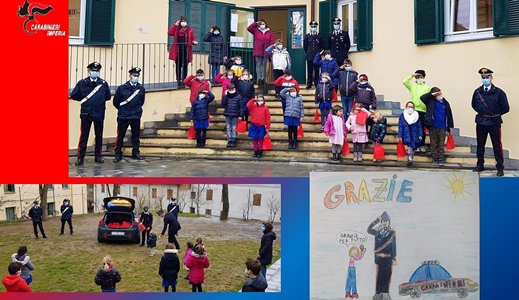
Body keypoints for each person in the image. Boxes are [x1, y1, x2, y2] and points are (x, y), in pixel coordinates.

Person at [69, 61, 112, 165]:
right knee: (84, 136)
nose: (94, 72)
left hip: (99, 113)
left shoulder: (103, 84)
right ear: (89, 71)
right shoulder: (82, 83)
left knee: (99, 136)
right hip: (86, 113)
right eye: (93, 70)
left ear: (99, 71)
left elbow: (108, 97)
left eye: (96, 70)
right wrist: (84, 100)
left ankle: (98, 156)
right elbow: (74, 95)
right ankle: (80, 157)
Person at [471, 68, 510, 176]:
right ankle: (480, 165)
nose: (485, 79)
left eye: (487, 77)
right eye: (483, 77)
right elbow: (474, 105)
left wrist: (495, 115)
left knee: (497, 145)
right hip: (481, 121)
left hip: (494, 123)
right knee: (480, 145)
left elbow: (505, 108)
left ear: (491, 78)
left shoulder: (499, 92)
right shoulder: (477, 92)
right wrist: (483, 114)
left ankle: (500, 167)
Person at [113, 67, 146, 162]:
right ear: (130, 76)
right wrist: (123, 110)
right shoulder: (122, 88)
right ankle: (118, 154)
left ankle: (136, 152)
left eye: (137, 76)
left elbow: (141, 102)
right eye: (134, 75)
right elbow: (116, 102)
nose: (136, 77)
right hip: (123, 116)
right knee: (120, 136)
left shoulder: (141, 89)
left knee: (135, 136)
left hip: (135, 116)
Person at [420, 87, 454, 167]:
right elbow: (422, 98)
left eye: (440, 93)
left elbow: (449, 114)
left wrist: (450, 125)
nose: (439, 94)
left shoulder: (445, 103)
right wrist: (431, 95)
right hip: (432, 125)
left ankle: (441, 158)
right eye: (437, 93)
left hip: (442, 126)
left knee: (441, 144)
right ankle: (435, 158)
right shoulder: (430, 102)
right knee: (433, 143)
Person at [367, 212, 396, 300]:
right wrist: (376, 221)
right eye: (383, 221)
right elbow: (368, 230)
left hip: (388, 257)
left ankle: (385, 294)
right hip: (379, 258)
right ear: (381, 221)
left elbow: (393, 245)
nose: (385, 222)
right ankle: (378, 294)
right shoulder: (377, 231)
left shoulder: (392, 232)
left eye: (386, 221)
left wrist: (394, 257)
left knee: (387, 276)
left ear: (389, 222)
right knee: (379, 276)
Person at [403, 70, 430, 153]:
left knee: (422, 129)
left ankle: (421, 144)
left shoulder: (427, 88)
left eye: (420, 77)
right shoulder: (412, 86)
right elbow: (404, 82)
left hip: (423, 111)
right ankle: (415, 145)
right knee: (414, 129)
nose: (419, 78)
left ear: (424, 77)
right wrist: (412, 75)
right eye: (417, 77)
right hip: (414, 111)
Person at [168, 16, 198, 88]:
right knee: (178, 66)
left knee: (185, 66)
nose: (183, 23)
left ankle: (184, 80)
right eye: (182, 21)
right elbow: (169, 32)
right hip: (178, 50)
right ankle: (178, 80)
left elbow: (192, 39)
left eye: (185, 21)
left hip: (186, 50)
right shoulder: (176, 29)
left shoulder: (189, 30)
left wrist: (193, 42)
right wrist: (175, 24)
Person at [349, 74, 377, 142]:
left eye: (364, 80)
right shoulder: (357, 87)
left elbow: (373, 98)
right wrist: (357, 81)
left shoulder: (370, 88)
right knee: (358, 121)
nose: (363, 81)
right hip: (358, 107)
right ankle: (358, 135)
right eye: (362, 80)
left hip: (366, 106)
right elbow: (351, 88)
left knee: (365, 121)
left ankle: (365, 135)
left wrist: (373, 107)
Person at [247, 19, 275, 84]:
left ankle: (263, 79)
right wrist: (256, 23)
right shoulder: (256, 30)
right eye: (261, 24)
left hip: (266, 51)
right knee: (258, 65)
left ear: (265, 24)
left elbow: (272, 42)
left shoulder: (269, 32)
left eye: (263, 24)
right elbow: (249, 28)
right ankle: (259, 79)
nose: (262, 25)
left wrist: (271, 51)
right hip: (258, 50)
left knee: (264, 65)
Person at [398, 101, 423, 166]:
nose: (410, 108)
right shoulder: (403, 115)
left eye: (412, 107)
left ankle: (410, 157)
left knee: (413, 146)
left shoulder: (416, 115)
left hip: (414, 133)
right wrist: (400, 135)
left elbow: (419, 126)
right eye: (409, 106)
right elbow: (400, 126)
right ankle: (410, 157)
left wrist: (420, 134)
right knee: (410, 145)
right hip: (406, 133)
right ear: (406, 107)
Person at [222, 83, 245, 148]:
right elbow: (223, 104)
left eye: (232, 89)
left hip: (235, 114)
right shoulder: (227, 96)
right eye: (230, 89)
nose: (231, 90)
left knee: (234, 127)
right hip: (228, 113)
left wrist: (241, 115)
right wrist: (225, 96)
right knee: (228, 127)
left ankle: (234, 139)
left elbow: (241, 106)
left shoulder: (238, 96)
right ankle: (229, 140)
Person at [303, 20, 324, 89]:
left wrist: (319, 53)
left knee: (317, 70)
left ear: (316, 27)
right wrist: (308, 52)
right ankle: (309, 83)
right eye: (312, 26)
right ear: (310, 27)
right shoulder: (307, 36)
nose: (313, 28)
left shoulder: (319, 36)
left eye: (314, 26)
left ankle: (316, 83)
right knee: (309, 70)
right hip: (309, 56)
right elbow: (305, 46)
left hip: (317, 56)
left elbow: (322, 46)